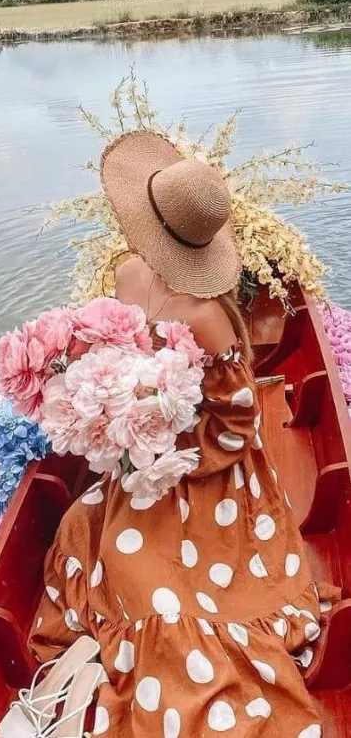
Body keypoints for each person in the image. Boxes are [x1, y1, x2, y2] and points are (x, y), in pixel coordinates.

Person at [27, 131, 339, 737]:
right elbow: (110, 354)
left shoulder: (208, 315)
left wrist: (167, 449)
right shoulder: (127, 276)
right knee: (91, 531)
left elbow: (235, 425)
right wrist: (115, 419)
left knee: (138, 560)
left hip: (210, 471)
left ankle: (190, 645)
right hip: (144, 455)